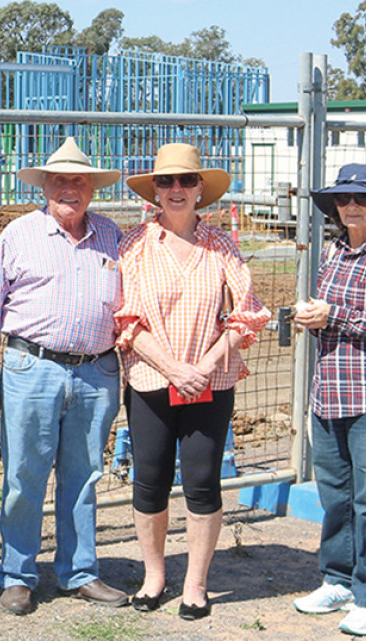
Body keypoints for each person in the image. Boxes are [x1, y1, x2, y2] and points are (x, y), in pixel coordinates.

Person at [0, 137, 128, 615]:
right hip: (30, 368)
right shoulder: (18, 234)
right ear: (45, 185)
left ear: (93, 188)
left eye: (79, 180)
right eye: (59, 180)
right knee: (23, 476)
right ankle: (17, 575)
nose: (69, 189)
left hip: (97, 371)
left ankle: (80, 571)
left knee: (84, 476)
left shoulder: (113, 236)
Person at [117, 143, 270, 620]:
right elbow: (126, 322)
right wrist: (174, 368)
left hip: (211, 380)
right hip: (151, 379)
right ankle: (154, 576)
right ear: (154, 191)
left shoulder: (222, 245)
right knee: (150, 481)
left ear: (201, 189)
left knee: (203, 482)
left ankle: (197, 584)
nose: (176, 189)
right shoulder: (134, 245)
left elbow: (246, 312)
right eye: (166, 182)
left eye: (186, 181)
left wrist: (202, 366)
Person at [293, 164, 366, 635]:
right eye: (343, 199)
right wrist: (310, 317)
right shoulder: (334, 254)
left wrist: (332, 314)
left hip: (363, 396)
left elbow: (343, 317)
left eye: (360, 197)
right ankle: (338, 579)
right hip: (329, 392)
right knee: (335, 494)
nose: (352, 205)